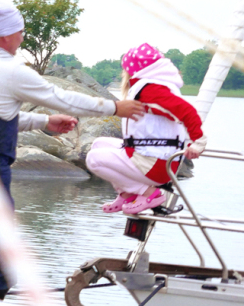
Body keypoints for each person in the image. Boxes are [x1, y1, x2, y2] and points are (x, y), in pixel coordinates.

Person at [0, 2, 146, 306]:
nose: (22, 39)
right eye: (21, 32)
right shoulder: (8, 69)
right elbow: (61, 96)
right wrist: (115, 108)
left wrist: (43, 123)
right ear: (8, 34)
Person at [85, 43, 206, 214]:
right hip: (154, 158)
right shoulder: (157, 86)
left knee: (93, 159)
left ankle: (150, 194)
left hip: (155, 164)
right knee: (99, 143)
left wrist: (198, 142)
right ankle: (127, 193)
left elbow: (187, 111)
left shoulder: (151, 90)